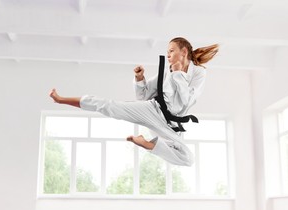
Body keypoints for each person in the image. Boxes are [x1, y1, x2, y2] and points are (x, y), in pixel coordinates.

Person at [49, 37, 219, 166]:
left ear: (184, 52)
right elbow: (143, 95)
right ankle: (61, 99)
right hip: (153, 110)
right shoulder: (166, 71)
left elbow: (187, 101)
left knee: (188, 158)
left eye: (172, 50)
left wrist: (178, 74)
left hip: (171, 124)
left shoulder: (198, 73)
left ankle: (147, 144)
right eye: (167, 51)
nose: (168, 54)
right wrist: (140, 78)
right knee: (109, 106)